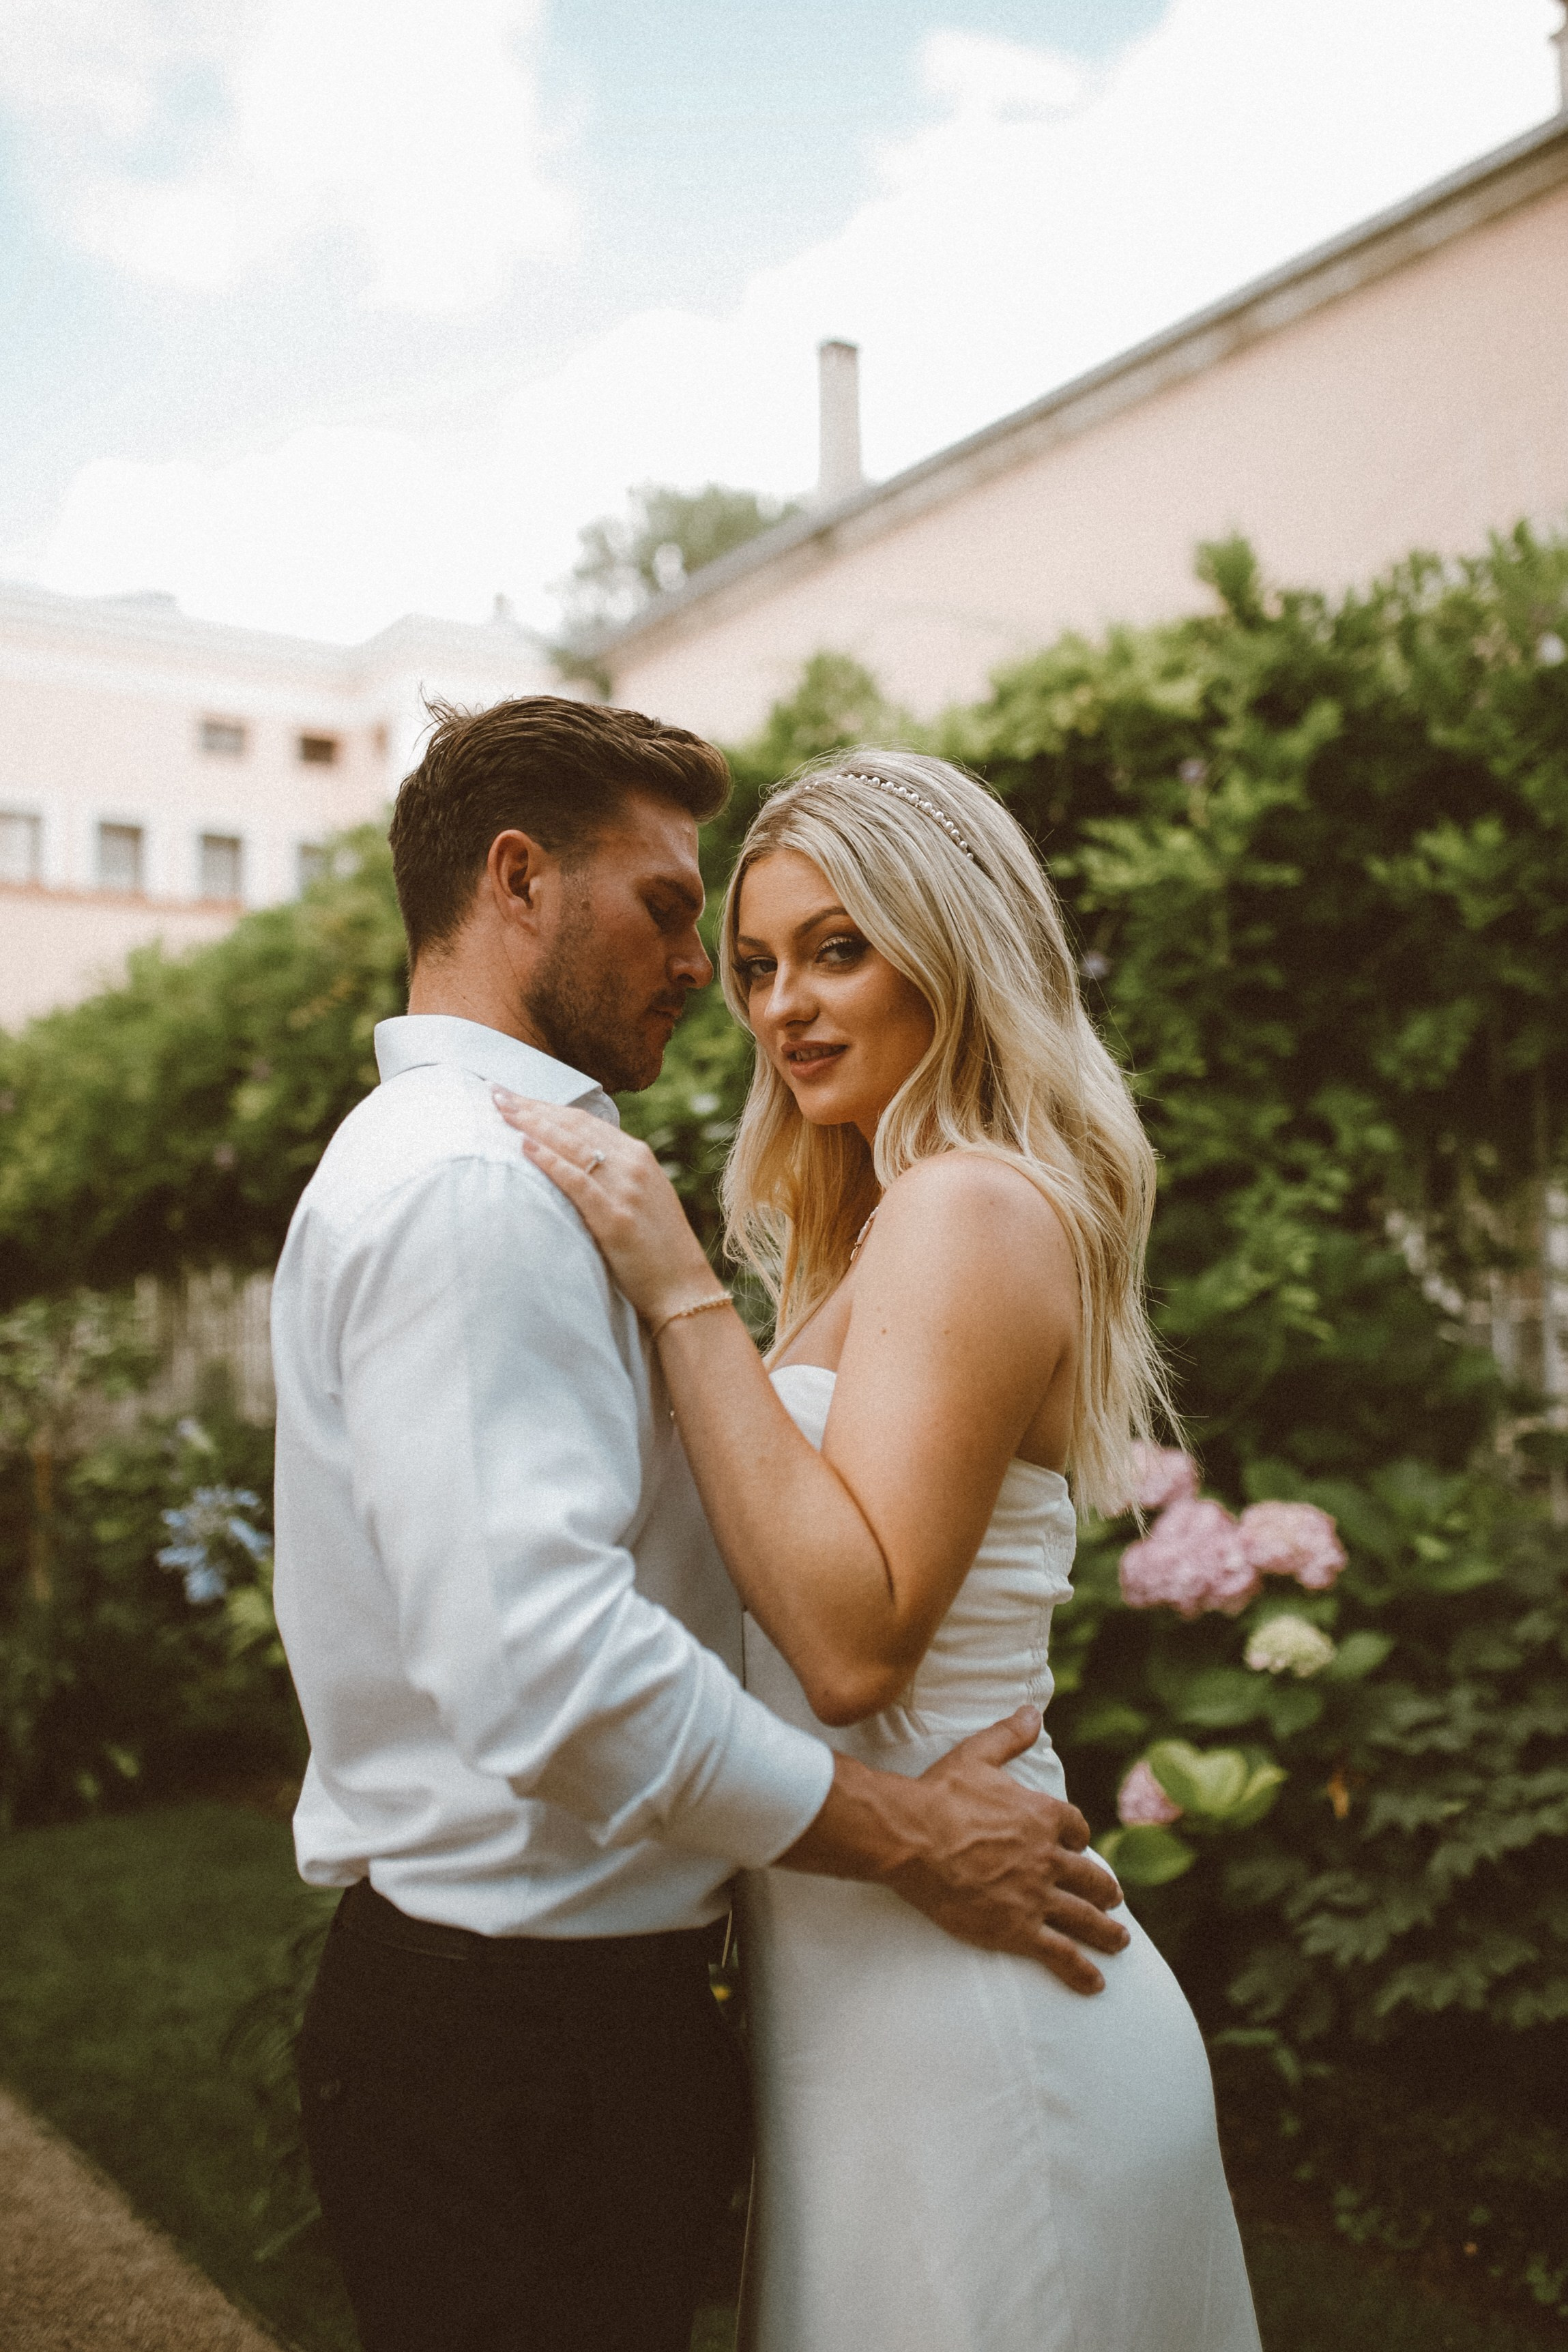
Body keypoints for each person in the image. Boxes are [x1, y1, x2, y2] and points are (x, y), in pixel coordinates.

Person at [270, 700, 1128, 2352]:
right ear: (521, 880)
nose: (719, 983)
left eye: (816, 949)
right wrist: (909, 1831)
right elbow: (544, 1671)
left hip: (635, 2013)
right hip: (520, 2032)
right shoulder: (471, 1184)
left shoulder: (546, 1171)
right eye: (686, 917)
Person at [496, 749, 1263, 2352]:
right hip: (860, 2004)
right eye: (760, 965)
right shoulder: (869, 1226)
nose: (784, 1005)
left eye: (839, 949)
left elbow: (852, 1647)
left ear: (955, 945)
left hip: (978, 2016)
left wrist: (674, 1285)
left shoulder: (971, 1206)